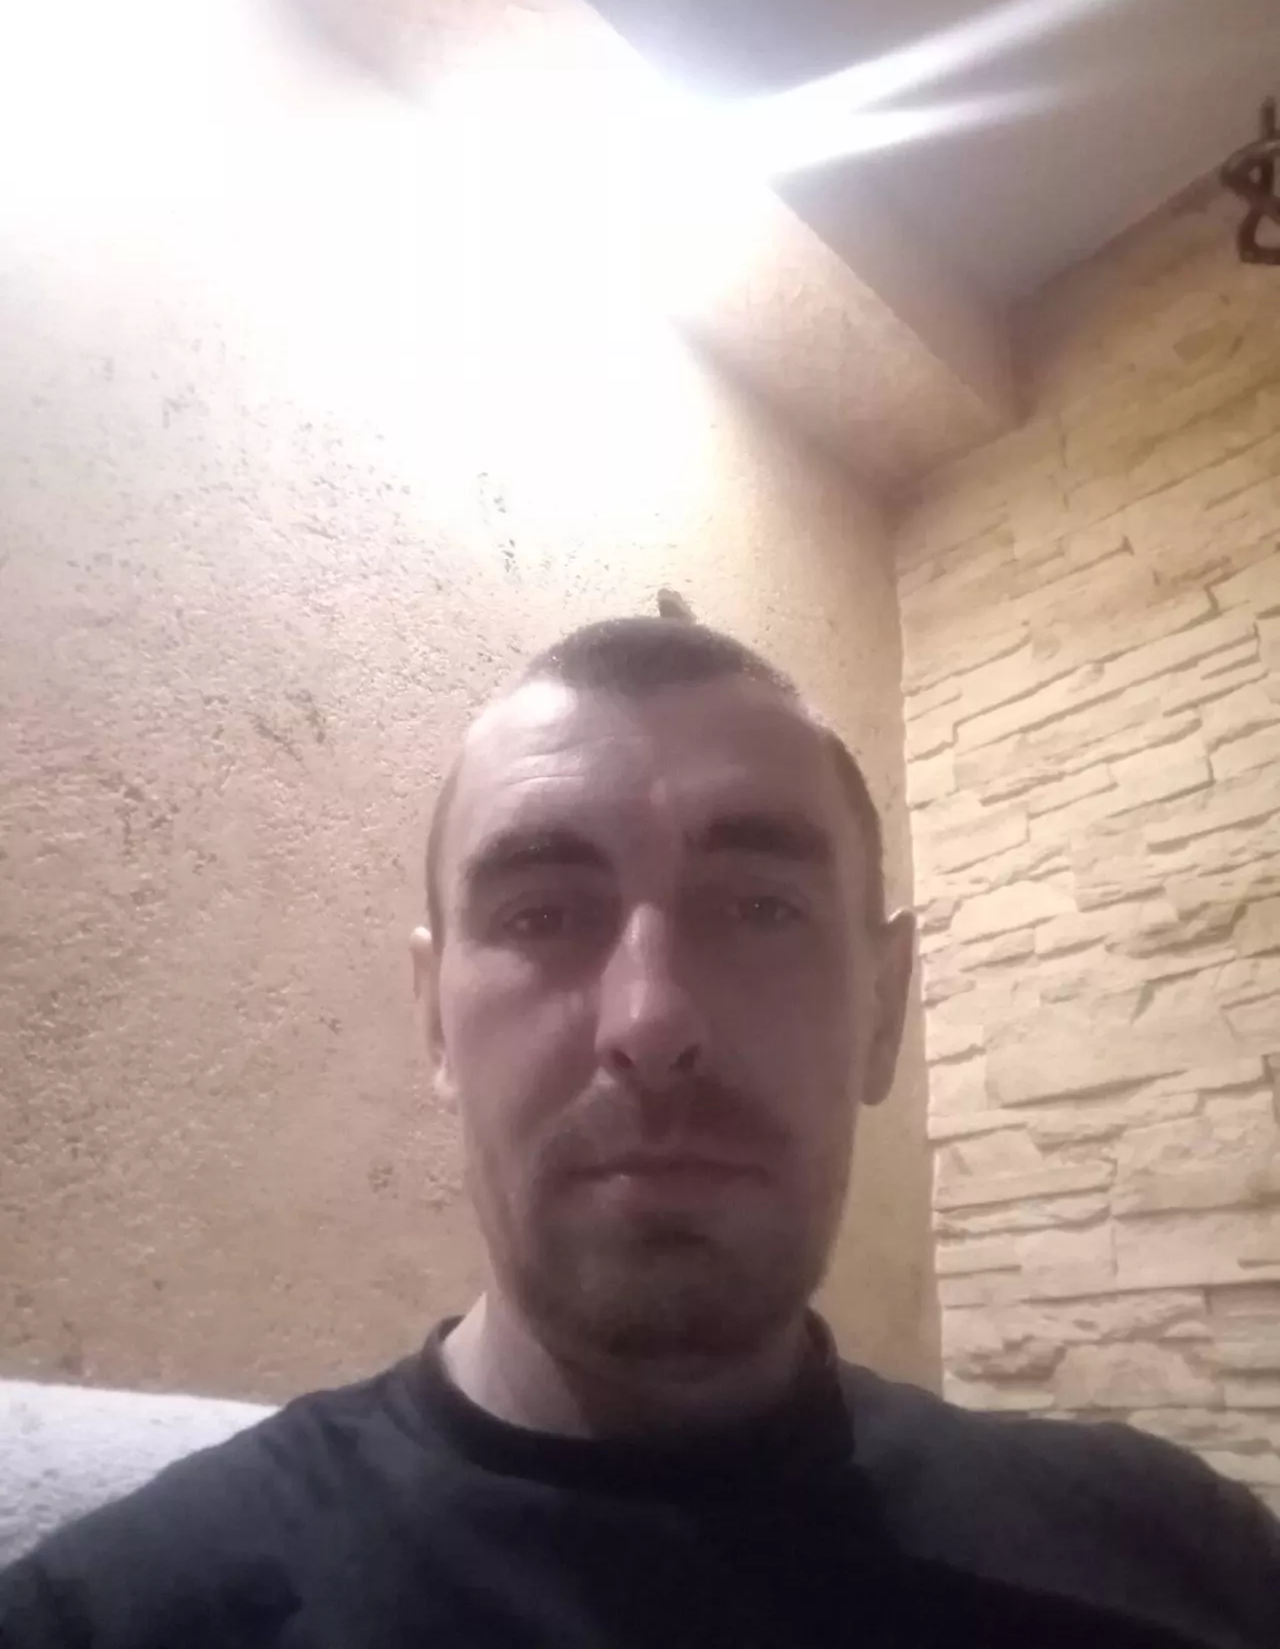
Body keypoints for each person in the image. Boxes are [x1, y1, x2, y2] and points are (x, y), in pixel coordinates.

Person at [2, 615, 1277, 1648]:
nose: (651, 1020)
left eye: (760, 907)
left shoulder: (1182, 1562)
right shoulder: (113, 1619)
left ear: (884, 1010)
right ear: (435, 1021)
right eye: (541, 914)